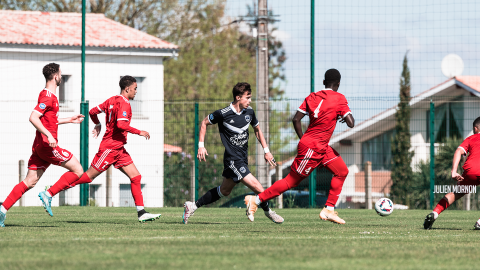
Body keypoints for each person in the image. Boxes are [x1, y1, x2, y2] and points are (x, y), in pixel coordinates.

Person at [40, 76, 161, 223]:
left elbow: (92, 112)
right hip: (109, 149)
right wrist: (139, 131)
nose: (136, 91)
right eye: (135, 89)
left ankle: (141, 213)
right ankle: (50, 191)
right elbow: (121, 124)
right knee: (88, 177)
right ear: (127, 89)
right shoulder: (124, 104)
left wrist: (97, 124)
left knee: (136, 177)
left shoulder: (111, 100)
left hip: (119, 149)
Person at [244, 69, 355, 224]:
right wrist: (342, 116)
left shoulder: (312, 97)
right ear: (338, 84)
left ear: (323, 82)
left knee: (342, 171)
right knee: (291, 181)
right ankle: (256, 200)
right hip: (314, 147)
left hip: (320, 146)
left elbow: (296, 119)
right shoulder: (339, 98)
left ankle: (329, 210)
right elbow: (351, 123)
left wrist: (304, 139)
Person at [182, 82, 284, 224]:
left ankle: (192, 206)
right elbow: (204, 122)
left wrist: (266, 151)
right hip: (232, 160)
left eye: (250, 97)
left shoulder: (249, 112)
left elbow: (257, 129)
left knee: (224, 191)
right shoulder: (223, 114)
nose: (249, 101)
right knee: (259, 188)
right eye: (247, 97)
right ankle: (269, 212)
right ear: (238, 97)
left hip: (242, 158)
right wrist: (201, 146)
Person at [0, 63, 85, 227]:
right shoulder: (48, 97)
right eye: (61, 74)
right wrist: (48, 135)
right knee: (78, 170)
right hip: (48, 146)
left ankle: (2, 210)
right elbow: (33, 117)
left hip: (39, 146)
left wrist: (69, 119)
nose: (61, 76)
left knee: (29, 182)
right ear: (56, 76)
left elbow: (48, 120)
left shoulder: (47, 94)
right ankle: (48, 193)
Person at [424, 117, 480, 230]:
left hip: (470, 171)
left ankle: (434, 213)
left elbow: (458, 151)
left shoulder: (471, 138)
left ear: (475, 128)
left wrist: (454, 171)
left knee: (456, 193)